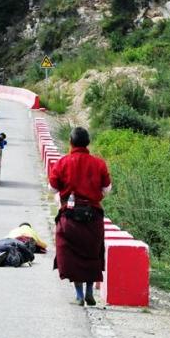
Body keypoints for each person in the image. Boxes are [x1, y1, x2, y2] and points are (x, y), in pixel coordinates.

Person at [49, 127, 112, 306]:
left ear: (70, 142)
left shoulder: (62, 163)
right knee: (92, 254)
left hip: (70, 218)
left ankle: (78, 295)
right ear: (88, 143)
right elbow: (106, 189)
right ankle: (90, 291)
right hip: (93, 217)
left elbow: (52, 188)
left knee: (72, 256)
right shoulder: (99, 163)